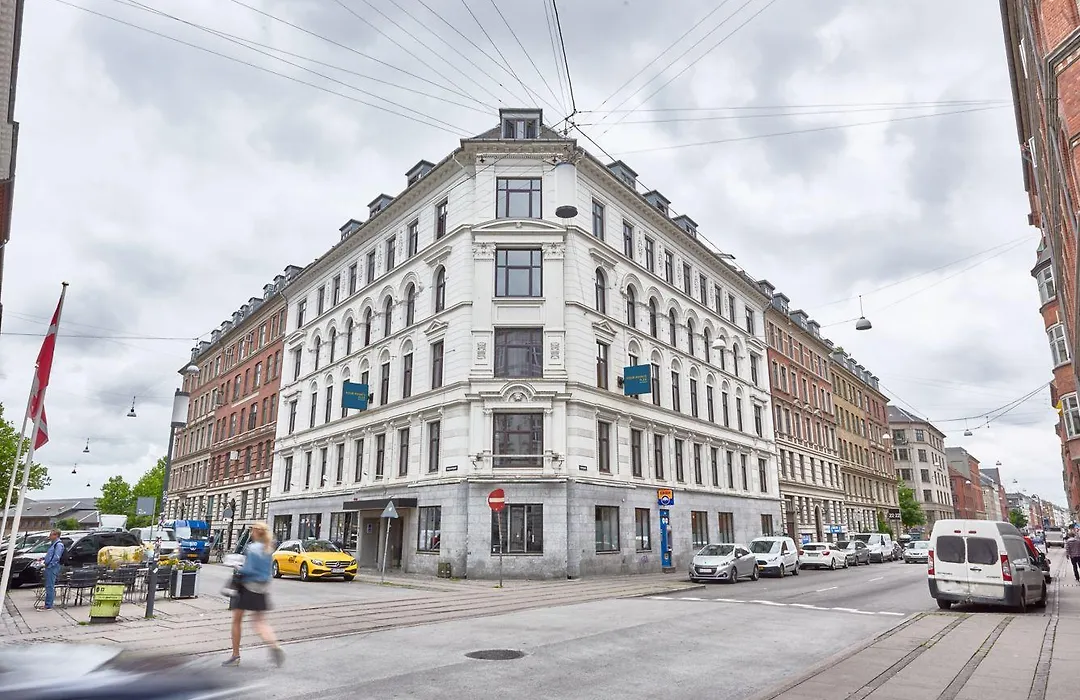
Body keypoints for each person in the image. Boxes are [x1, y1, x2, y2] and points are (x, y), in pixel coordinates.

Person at [222, 522, 284, 668]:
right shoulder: (268, 548)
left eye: (252, 531)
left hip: (248, 587)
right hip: (262, 588)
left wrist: (237, 566)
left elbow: (248, 570)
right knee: (259, 621)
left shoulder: (253, 548)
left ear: (256, 532)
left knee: (237, 620)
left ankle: (235, 655)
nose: (251, 533)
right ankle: (274, 645)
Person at [40, 530, 64, 611]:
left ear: (56, 535)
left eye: (51, 535)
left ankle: (48, 605)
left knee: (50, 585)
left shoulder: (58, 545)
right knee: (48, 585)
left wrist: (50, 565)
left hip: (53, 567)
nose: (49, 536)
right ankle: (48, 603)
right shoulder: (53, 544)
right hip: (49, 566)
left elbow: (56, 557)